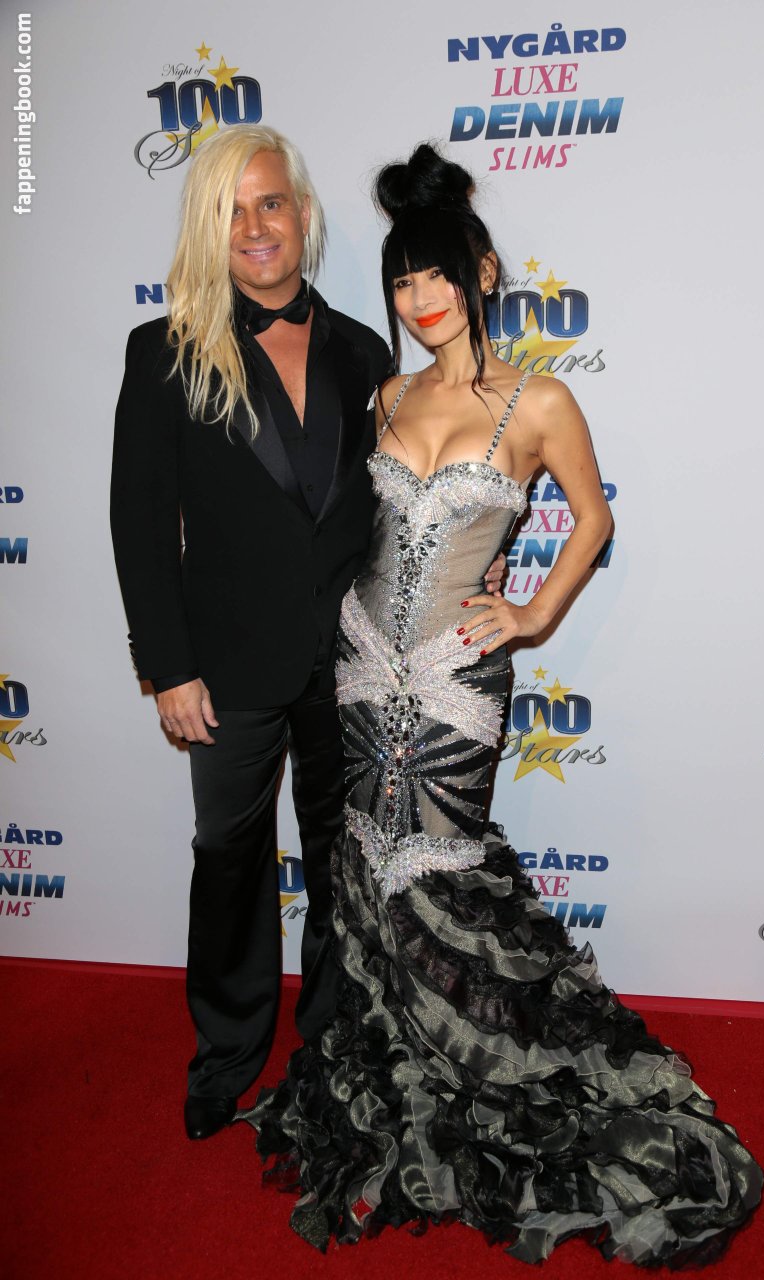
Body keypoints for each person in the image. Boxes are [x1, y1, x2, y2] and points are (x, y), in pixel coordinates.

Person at [241, 144, 764, 1267]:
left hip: (453, 677)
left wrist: (528, 616)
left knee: (444, 869)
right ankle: (397, 1068)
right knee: (366, 861)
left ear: (481, 273)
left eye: (437, 275)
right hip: (358, 663)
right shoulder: (386, 394)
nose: (419, 299)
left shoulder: (539, 399)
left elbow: (592, 520)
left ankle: (500, 1070)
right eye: (402, 282)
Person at [110, 125, 504, 1143]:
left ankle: (332, 1042)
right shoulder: (164, 351)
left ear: (303, 215)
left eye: (271, 202)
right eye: (232, 209)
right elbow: (140, 523)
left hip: (350, 663)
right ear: (210, 227)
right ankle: (229, 1053)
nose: (255, 226)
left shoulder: (364, 352)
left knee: (341, 863)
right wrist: (168, 667)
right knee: (229, 863)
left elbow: (395, 502)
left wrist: (473, 560)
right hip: (224, 669)